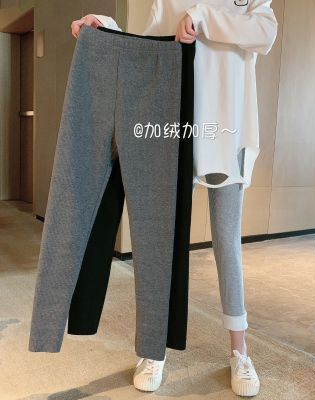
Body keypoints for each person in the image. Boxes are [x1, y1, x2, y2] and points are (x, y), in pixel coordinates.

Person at [71, 0, 278, 396]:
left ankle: (240, 350)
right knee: (161, 244)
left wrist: (202, 16)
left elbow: (265, 32)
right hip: (173, 128)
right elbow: (146, 49)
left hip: (226, 129)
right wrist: (106, 28)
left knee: (226, 239)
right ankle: (155, 348)